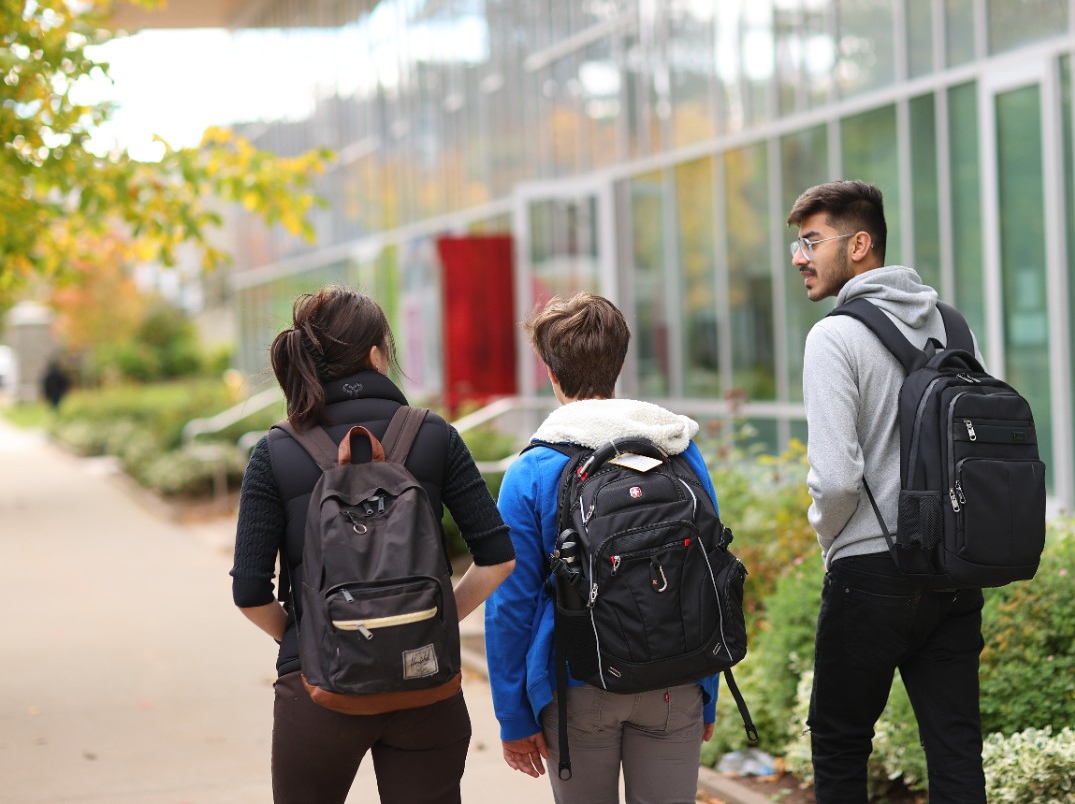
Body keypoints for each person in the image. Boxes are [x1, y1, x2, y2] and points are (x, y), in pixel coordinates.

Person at [231, 285, 516, 804]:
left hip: (318, 692)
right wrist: (429, 617)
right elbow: (498, 557)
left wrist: (308, 637)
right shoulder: (434, 435)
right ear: (376, 355)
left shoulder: (274, 451)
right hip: (424, 681)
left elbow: (250, 593)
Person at [787, 180, 986, 803]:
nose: (799, 257)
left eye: (812, 241)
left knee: (841, 741)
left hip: (870, 573)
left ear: (861, 244)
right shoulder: (952, 326)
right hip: (954, 570)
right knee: (954, 744)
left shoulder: (834, 337)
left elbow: (838, 477)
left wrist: (830, 536)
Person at [485, 292, 720, 804]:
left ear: (550, 371)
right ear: (620, 361)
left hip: (576, 684)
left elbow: (510, 603)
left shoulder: (532, 470)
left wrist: (513, 715)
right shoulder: (678, 450)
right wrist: (706, 691)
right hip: (675, 681)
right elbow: (707, 569)